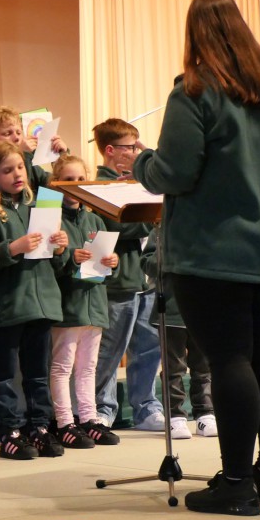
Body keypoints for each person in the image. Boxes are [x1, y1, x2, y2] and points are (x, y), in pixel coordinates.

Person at [134, 0, 260, 516]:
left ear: (195, 35)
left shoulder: (194, 92)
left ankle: (236, 485)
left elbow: (174, 172)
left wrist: (142, 162)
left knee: (230, 358)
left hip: (214, 254)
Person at [0, 141, 68, 460]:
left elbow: (58, 263)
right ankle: (10, 431)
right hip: (9, 305)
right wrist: (12, 248)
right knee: (5, 374)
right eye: (7, 170)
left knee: (38, 372)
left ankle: (39, 426)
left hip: (43, 303)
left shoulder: (41, 206)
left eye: (20, 168)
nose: (17, 174)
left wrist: (60, 246)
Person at [91, 118, 164, 431]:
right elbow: (118, 224)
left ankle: (146, 407)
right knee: (109, 350)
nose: (136, 152)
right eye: (130, 147)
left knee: (148, 347)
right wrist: (154, 216)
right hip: (117, 280)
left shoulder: (138, 182)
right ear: (111, 150)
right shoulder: (101, 185)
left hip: (145, 277)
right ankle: (101, 407)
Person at [50, 154, 120, 447]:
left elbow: (105, 267)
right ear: (57, 183)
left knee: (88, 367)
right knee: (62, 366)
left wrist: (112, 263)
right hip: (68, 305)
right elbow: (48, 265)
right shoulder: (53, 219)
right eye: (68, 180)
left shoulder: (95, 219)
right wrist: (70, 257)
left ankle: (89, 419)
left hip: (94, 304)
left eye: (81, 179)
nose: (76, 185)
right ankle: (64, 421)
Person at [140, 228, 215, 440]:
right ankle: (175, 416)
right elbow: (147, 263)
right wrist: (169, 254)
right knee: (174, 368)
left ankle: (205, 413)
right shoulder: (163, 228)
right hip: (171, 310)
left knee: (204, 367)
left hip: (204, 308)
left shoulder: (209, 225)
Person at [0, 105, 69, 196]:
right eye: (7, 133)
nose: (17, 138)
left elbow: (57, 190)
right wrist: (24, 155)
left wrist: (60, 158)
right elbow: (21, 196)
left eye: (19, 133)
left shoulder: (32, 166)